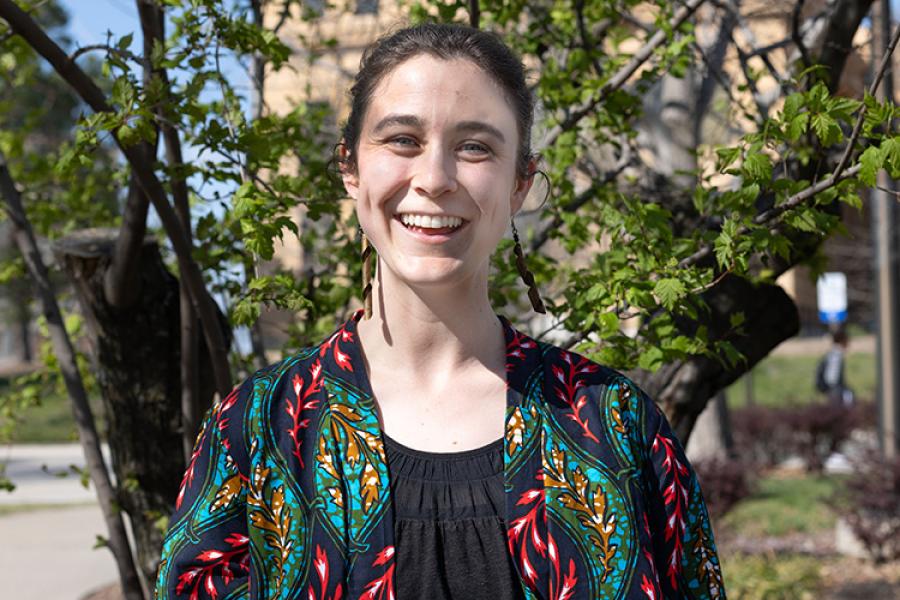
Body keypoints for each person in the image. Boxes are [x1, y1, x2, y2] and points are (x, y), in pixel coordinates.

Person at [155, 23, 724, 599]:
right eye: (402, 140)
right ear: (350, 168)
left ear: (520, 183)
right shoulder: (261, 431)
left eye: (474, 146)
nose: (434, 179)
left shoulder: (612, 427)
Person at [815, 329, 855, 407]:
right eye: (847, 340)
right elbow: (832, 378)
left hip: (833, 390)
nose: (849, 343)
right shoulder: (836, 355)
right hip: (835, 391)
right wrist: (841, 389)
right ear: (842, 340)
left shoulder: (833, 353)